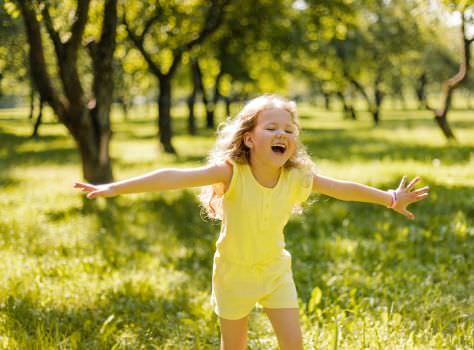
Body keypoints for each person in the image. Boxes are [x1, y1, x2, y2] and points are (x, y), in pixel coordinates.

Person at [74, 94, 429, 350]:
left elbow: (343, 189)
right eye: (272, 127)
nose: (282, 135)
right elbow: (173, 176)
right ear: (249, 138)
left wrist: (389, 197)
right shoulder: (231, 173)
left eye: (289, 130)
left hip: (275, 271)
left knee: (294, 345)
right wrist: (112, 187)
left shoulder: (296, 177)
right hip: (233, 274)